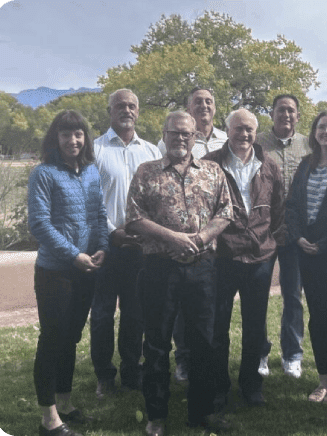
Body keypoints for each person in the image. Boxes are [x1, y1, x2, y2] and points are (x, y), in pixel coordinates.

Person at [125, 111, 233, 436]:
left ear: (196, 137)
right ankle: (156, 416)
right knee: (157, 344)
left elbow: (226, 211)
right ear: (164, 134)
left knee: (203, 342)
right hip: (161, 268)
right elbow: (133, 217)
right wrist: (174, 238)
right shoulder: (146, 172)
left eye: (187, 134)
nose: (181, 139)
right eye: (175, 133)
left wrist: (199, 239)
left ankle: (200, 414)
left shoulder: (213, 172)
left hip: (202, 269)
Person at [28, 110, 108, 436]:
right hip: (55, 272)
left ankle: (65, 404)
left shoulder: (90, 171)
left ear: (85, 137)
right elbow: (39, 225)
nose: (73, 140)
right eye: (66, 134)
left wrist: (102, 246)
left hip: (85, 270)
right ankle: (49, 419)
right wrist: (74, 254)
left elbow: (100, 215)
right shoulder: (43, 174)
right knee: (52, 339)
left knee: (71, 339)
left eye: (78, 134)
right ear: (55, 138)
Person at [205, 108, 286, 408]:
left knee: (255, 327)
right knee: (217, 327)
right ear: (227, 130)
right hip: (223, 257)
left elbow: (278, 209)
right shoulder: (210, 164)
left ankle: (252, 386)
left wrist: (270, 241)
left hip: (260, 259)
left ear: (256, 132)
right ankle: (217, 386)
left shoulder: (269, 165)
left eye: (250, 129)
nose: (244, 134)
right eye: (238, 128)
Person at [90, 89, 161, 398]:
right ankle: (104, 375)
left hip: (141, 249)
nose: (127, 110)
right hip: (106, 246)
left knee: (135, 314)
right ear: (110, 111)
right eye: (120, 105)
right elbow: (89, 200)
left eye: (132, 105)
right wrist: (111, 233)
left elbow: (159, 200)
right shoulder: (94, 150)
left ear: (138, 111)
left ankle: (132, 372)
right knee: (103, 314)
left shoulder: (151, 152)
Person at [157, 87, 228, 383]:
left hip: (214, 243)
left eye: (209, 101)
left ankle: (208, 369)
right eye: (197, 101)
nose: (204, 105)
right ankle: (183, 359)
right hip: (171, 248)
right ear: (187, 107)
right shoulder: (169, 143)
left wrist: (203, 238)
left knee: (208, 309)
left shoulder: (227, 138)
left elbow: (224, 205)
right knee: (176, 315)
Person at [286, 112, 327, 404]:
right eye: (322, 127)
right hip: (307, 253)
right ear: (314, 133)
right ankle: (323, 378)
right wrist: (298, 236)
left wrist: (324, 244)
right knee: (318, 319)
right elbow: (292, 206)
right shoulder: (306, 164)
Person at [256, 94, 310, 378]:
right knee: (259, 294)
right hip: (265, 230)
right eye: (280, 110)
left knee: (293, 294)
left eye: (291, 110)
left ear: (298, 116)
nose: (286, 115)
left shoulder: (308, 145)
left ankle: (293, 354)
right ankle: (260, 353)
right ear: (272, 114)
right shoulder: (258, 144)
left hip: (295, 232)